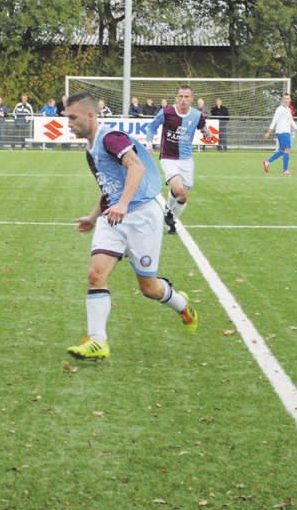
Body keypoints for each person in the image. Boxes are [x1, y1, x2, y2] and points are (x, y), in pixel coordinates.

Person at [64, 92, 198, 361]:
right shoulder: (90, 152)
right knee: (95, 275)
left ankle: (182, 305)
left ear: (90, 115)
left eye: (72, 117)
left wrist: (124, 204)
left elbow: (136, 168)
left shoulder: (112, 138)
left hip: (142, 216)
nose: (68, 123)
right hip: (114, 217)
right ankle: (98, 341)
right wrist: (92, 218)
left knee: (149, 289)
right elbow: (109, 190)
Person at [145, 85, 215, 234]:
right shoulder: (167, 112)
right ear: (177, 98)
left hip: (186, 159)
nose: (183, 99)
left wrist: (207, 134)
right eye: (181, 96)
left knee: (183, 195)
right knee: (178, 189)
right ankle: (169, 214)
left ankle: (170, 217)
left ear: (191, 99)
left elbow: (203, 127)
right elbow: (151, 128)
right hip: (168, 157)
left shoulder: (197, 115)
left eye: (186, 97)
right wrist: (149, 143)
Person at [263, 93, 297, 175]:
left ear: (290, 100)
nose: (286, 100)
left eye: (287, 98)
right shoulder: (280, 109)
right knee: (287, 149)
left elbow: (291, 121)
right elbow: (274, 120)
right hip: (282, 132)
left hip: (286, 132)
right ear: (282, 100)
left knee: (282, 150)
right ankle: (285, 170)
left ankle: (267, 162)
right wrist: (269, 132)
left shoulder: (288, 109)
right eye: (284, 99)